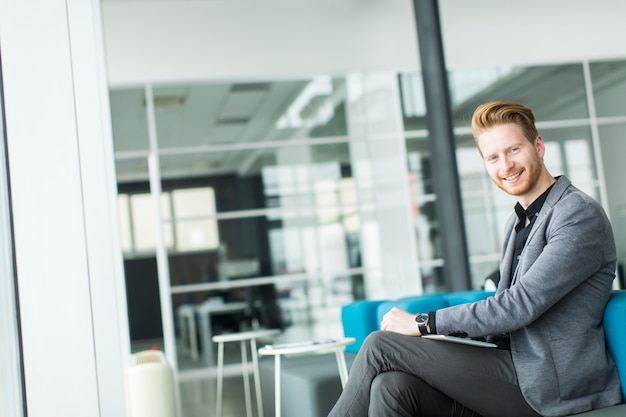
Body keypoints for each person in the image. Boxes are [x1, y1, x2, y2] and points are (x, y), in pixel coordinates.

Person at [327, 101, 622, 417]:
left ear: (538, 146)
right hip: (513, 366)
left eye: (513, 150)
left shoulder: (577, 214)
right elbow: (505, 317)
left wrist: (423, 323)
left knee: (379, 346)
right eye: (493, 157)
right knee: (392, 387)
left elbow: (517, 306)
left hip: (554, 383)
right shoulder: (518, 221)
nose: (505, 166)